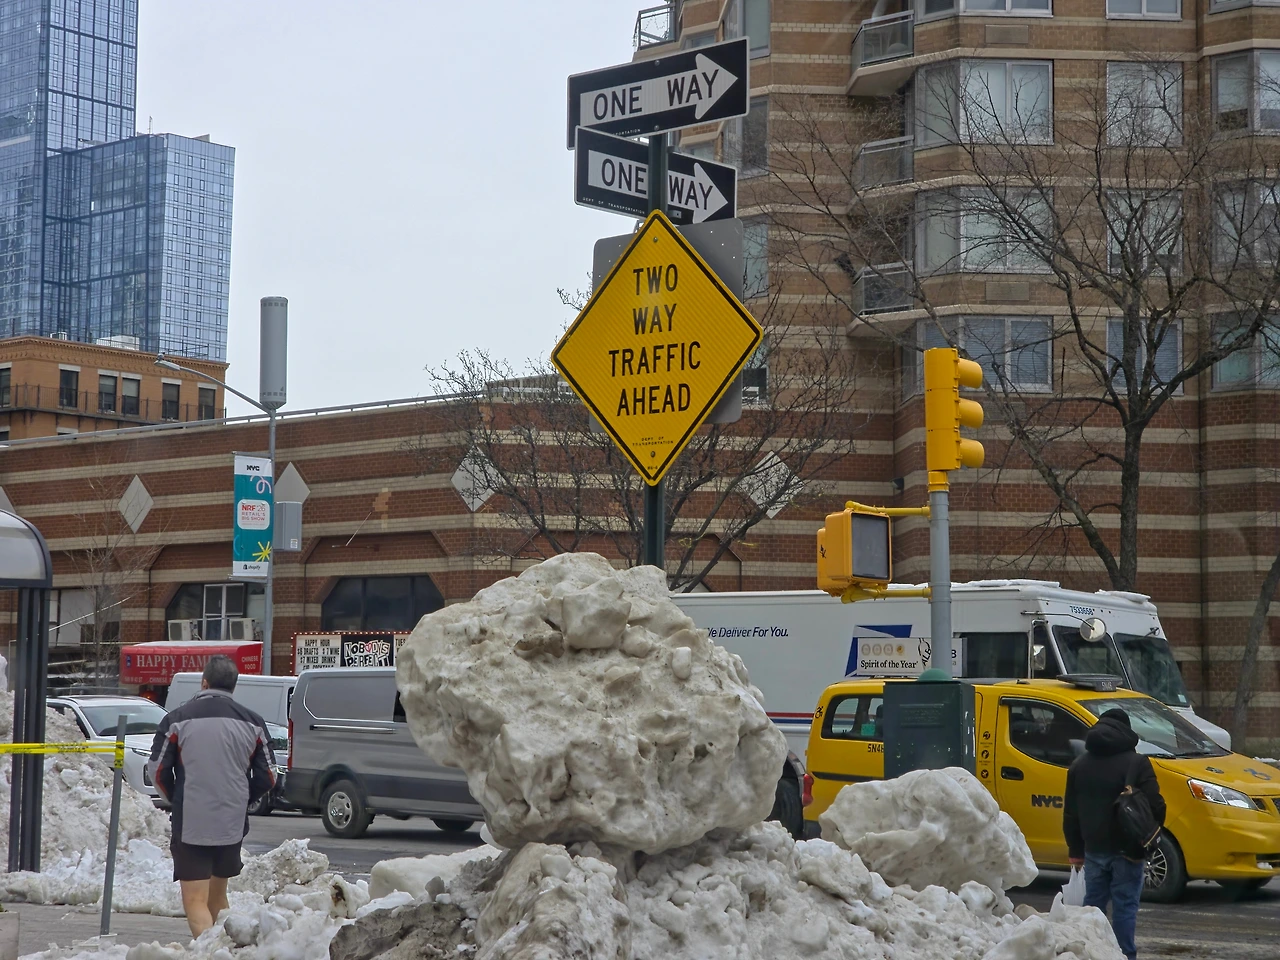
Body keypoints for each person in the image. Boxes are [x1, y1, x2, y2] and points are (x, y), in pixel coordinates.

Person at [148, 656, 275, 938]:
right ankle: (225, 949)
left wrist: (175, 797)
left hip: (192, 821)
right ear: (233, 686)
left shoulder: (177, 720)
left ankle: (209, 952)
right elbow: (269, 776)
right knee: (218, 897)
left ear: (204, 683)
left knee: (195, 900)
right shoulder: (253, 723)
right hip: (231, 822)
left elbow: (157, 770)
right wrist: (243, 799)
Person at [1063, 707, 1166, 960]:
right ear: (1126, 731)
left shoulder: (1079, 765)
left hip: (1094, 848)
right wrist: (1150, 834)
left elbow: (1071, 813)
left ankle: (1091, 954)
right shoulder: (1137, 763)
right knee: (1125, 907)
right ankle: (1124, 955)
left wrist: (1076, 851)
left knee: (1092, 909)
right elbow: (1156, 804)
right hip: (1128, 850)